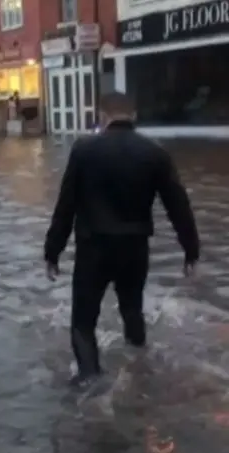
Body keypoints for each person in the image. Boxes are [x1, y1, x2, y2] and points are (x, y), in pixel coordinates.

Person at [43, 92, 200, 387]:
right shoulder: (155, 153)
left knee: (83, 323)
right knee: (132, 310)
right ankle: (139, 370)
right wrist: (191, 251)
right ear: (134, 115)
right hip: (134, 248)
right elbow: (178, 205)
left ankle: (92, 384)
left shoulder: (83, 150)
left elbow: (66, 206)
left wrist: (53, 251)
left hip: (94, 248)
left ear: (102, 117)